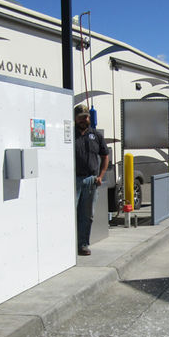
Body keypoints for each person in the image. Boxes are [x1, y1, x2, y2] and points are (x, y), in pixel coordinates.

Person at [73, 104, 109, 256]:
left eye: (86, 117)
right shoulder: (69, 134)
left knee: (87, 215)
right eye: (81, 117)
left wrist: (100, 176)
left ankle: (82, 245)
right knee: (71, 213)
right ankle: (68, 244)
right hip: (73, 181)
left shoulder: (96, 136)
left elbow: (105, 156)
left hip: (91, 180)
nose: (84, 119)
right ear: (75, 118)